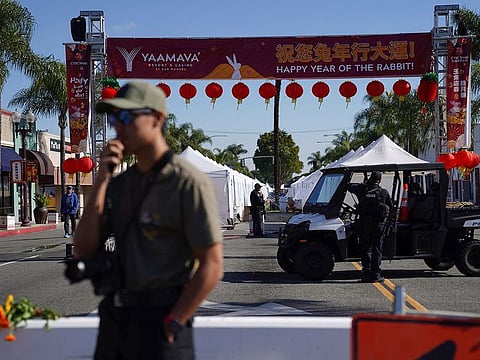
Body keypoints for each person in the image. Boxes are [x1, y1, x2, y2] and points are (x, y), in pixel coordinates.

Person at [72, 81, 224, 359]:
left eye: (127, 117)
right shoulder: (120, 185)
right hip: (117, 319)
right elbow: (83, 247)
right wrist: (102, 179)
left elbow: (212, 265)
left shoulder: (186, 182)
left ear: (157, 118)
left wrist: (175, 321)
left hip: (162, 321)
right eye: (115, 118)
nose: (119, 126)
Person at [352, 171, 393, 283]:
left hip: (365, 224)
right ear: (379, 180)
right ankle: (376, 274)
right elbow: (391, 207)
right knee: (377, 249)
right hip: (378, 225)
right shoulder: (383, 192)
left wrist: (363, 184)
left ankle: (366, 272)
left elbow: (350, 187)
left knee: (365, 249)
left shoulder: (363, 191)